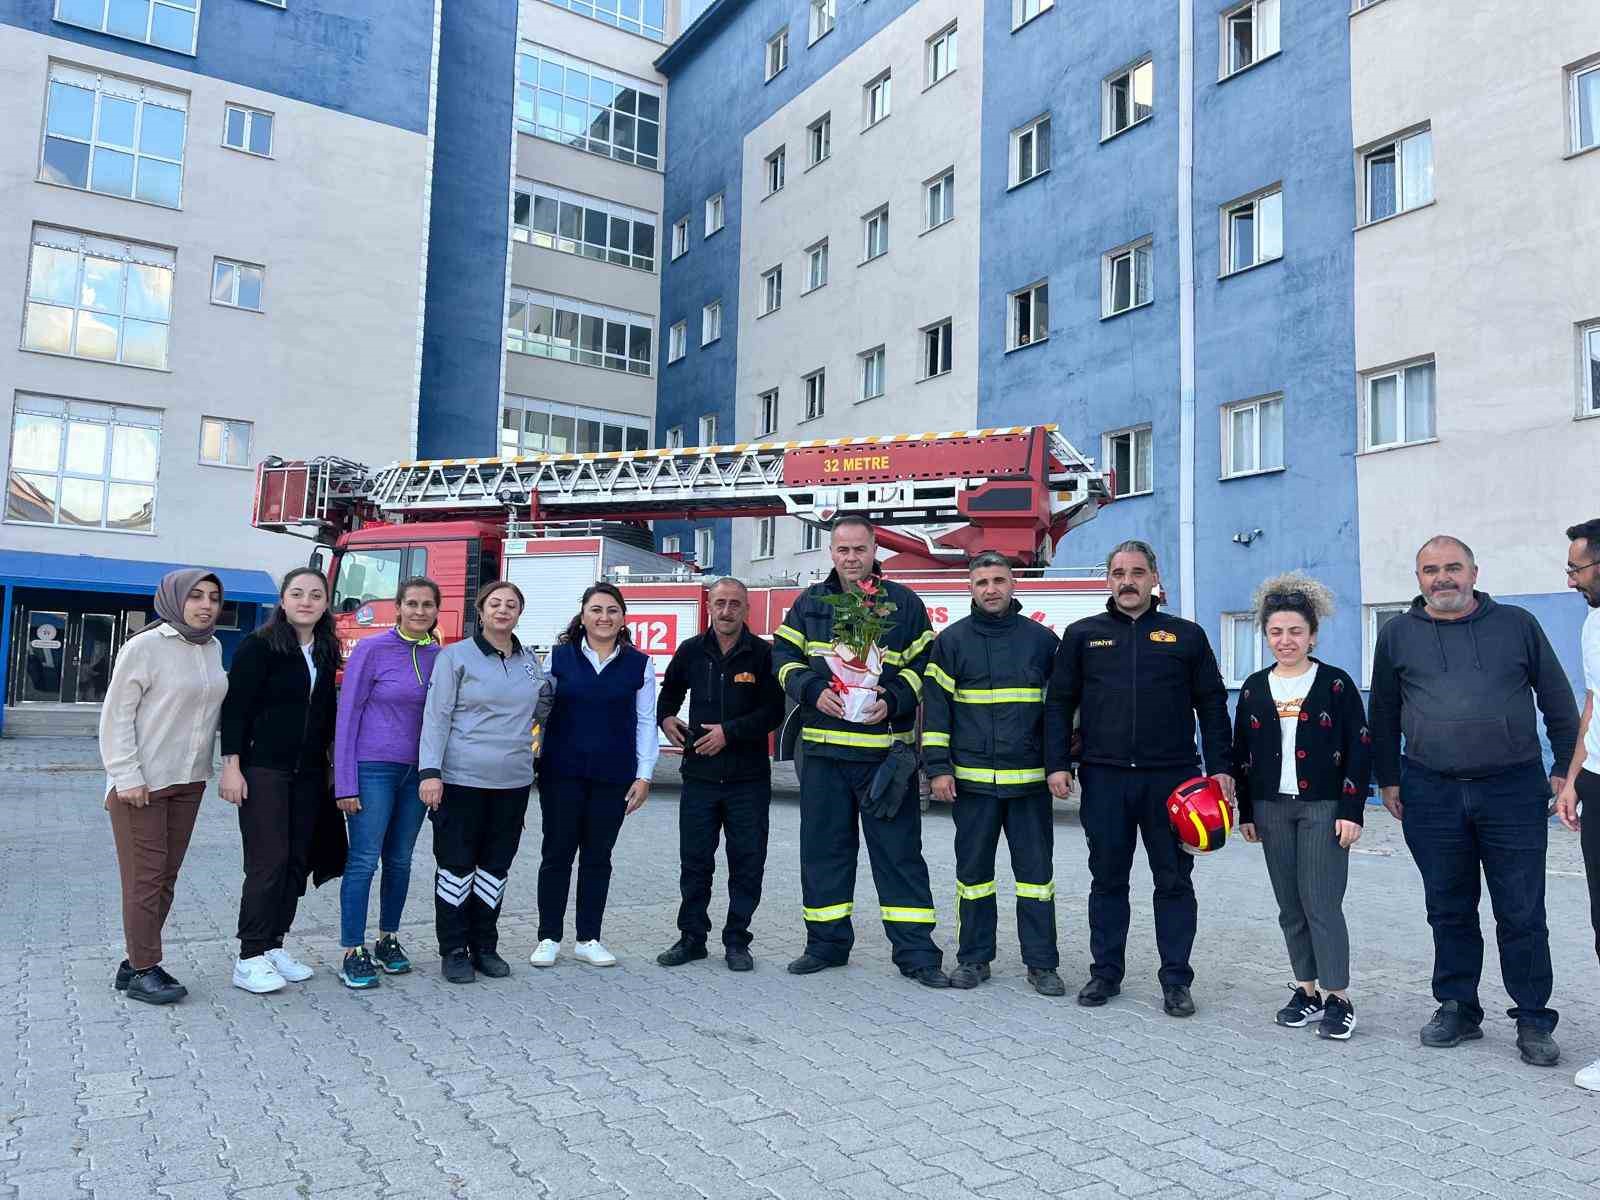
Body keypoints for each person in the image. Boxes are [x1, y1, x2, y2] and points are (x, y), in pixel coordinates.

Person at [1372, 534, 1578, 1067]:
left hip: (1511, 789)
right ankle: (1458, 1007)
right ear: (1418, 578)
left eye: (1453, 568)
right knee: (1448, 908)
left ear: (1475, 572)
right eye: (1431, 569)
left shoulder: (1517, 626)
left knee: (1522, 909)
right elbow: (1385, 712)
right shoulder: (1396, 635)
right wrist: (1388, 780)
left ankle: (1533, 1017)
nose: (1443, 578)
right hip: (1431, 792)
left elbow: (1556, 696)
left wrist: (1563, 765)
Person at [1044, 540, 1232, 1017]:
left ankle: (1175, 981)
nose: (1127, 581)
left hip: (1173, 782)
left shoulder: (1186, 636)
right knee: (1107, 880)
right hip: (1105, 778)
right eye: (1118, 573)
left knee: (1173, 881)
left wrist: (1222, 768)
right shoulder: (1083, 635)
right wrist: (1057, 764)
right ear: (1107, 580)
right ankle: (1105, 973)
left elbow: (1211, 705)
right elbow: (1059, 704)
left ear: (1154, 578)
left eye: (1137, 572)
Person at [771, 516, 949, 987]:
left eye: (860, 549)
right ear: (831, 552)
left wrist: (892, 699)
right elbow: (782, 658)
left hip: (883, 758)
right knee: (824, 852)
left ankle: (916, 954)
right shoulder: (810, 604)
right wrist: (810, 689)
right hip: (825, 755)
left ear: (875, 550)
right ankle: (825, 945)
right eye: (843, 550)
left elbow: (925, 666)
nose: (851, 558)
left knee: (899, 856)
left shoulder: (904, 605)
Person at [1230, 574, 1371, 1041]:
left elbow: (1359, 747)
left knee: (1322, 904)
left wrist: (1352, 810)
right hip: (1272, 809)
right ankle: (1306, 990)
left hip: (1323, 807)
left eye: (1295, 631)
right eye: (1276, 632)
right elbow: (1242, 754)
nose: (1285, 640)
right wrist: (1246, 812)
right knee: (1289, 906)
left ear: (1312, 635)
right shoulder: (1252, 688)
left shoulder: (1334, 684)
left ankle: (1338, 997)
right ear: (1266, 636)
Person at [921, 552, 1065, 996]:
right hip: (972, 785)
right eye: (982, 581)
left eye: (999, 580)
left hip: (1029, 787)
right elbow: (937, 713)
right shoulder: (951, 642)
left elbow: (1059, 713)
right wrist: (938, 770)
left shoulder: (1042, 641)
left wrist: (1060, 766)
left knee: (1037, 881)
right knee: (974, 877)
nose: (991, 589)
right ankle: (973, 959)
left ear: (1013, 584)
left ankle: (1042, 965)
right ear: (970, 587)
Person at [99, 568, 229, 1005]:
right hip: (144, 784)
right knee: (145, 880)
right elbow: (116, 715)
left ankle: (134, 961)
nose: (206, 605)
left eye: (213, 597)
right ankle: (144, 969)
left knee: (165, 879)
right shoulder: (145, 647)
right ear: (174, 600)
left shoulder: (212, 647)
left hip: (189, 780)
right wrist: (126, 776)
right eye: (196, 596)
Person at [419, 580, 553, 984]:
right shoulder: (455, 657)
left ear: (519, 613)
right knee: (457, 867)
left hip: (512, 785)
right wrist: (430, 773)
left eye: (511, 604)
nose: (503, 610)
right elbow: (436, 717)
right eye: (495, 603)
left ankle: (485, 946)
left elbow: (540, 714)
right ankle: (454, 949)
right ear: (481, 610)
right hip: (460, 780)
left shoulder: (530, 660)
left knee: (495, 868)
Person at [220, 567, 345, 994]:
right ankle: (249, 955)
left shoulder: (326, 649)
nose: (306, 601)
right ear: (283, 600)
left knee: (296, 861)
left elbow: (326, 712)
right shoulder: (260, 646)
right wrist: (231, 765)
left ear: (326, 602)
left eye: (315, 594)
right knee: (267, 861)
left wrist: (333, 768)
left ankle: (274, 944)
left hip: (309, 773)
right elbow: (235, 708)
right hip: (264, 770)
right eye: (297, 594)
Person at [656, 578, 786, 972]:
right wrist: (666, 720)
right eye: (720, 603)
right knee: (695, 863)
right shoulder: (692, 651)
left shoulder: (764, 655)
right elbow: (669, 695)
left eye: (734, 604)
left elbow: (773, 713)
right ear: (709, 607)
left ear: (746, 609)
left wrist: (729, 733)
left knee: (746, 862)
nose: (726, 610)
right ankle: (692, 939)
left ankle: (736, 941)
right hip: (700, 776)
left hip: (747, 779)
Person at [531, 582, 659, 969]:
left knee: (597, 857)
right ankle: (548, 937)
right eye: (596, 610)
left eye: (612, 611)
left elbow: (645, 721)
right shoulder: (557, 659)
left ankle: (588, 938)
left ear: (623, 619)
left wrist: (644, 776)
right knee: (556, 855)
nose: (604, 617)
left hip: (613, 776)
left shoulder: (640, 664)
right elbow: (538, 714)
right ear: (582, 615)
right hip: (561, 772)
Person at [332, 577, 443, 989]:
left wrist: (437, 773)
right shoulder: (371, 650)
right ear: (397, 607)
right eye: (411, 603)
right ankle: (351, 949)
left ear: (436, 610)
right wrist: (345, 782)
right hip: (372, 768)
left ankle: (388, 939)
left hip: (416, 773)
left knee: (400, 860)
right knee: (364, 860)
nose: (419, 611)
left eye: (427, 604)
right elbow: (348, 715)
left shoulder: (439, 656)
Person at [1558, 518, 1600, 1090]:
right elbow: (1593, 703)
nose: (1570, 581)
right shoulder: (1594, 622)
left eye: (1576, 568)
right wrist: (1571, 779)